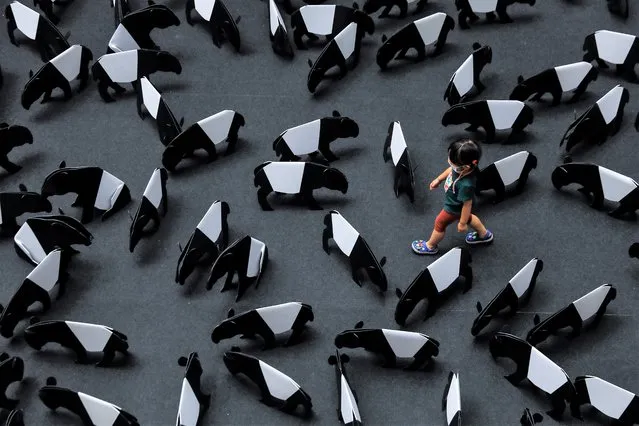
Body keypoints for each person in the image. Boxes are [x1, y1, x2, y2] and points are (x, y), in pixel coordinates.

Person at [412, 139, 493, 255]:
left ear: (464, 167)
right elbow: (450, 171)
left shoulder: (466, 184)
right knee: (469, 217)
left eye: (451, 161)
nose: (448, 162)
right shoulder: (463, 169)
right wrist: (439, 179)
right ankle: (484, 234)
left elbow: (467, 204)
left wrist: (462, 223)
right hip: (458, 203)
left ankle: (430, 245)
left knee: (439, 223)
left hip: (454, 207)